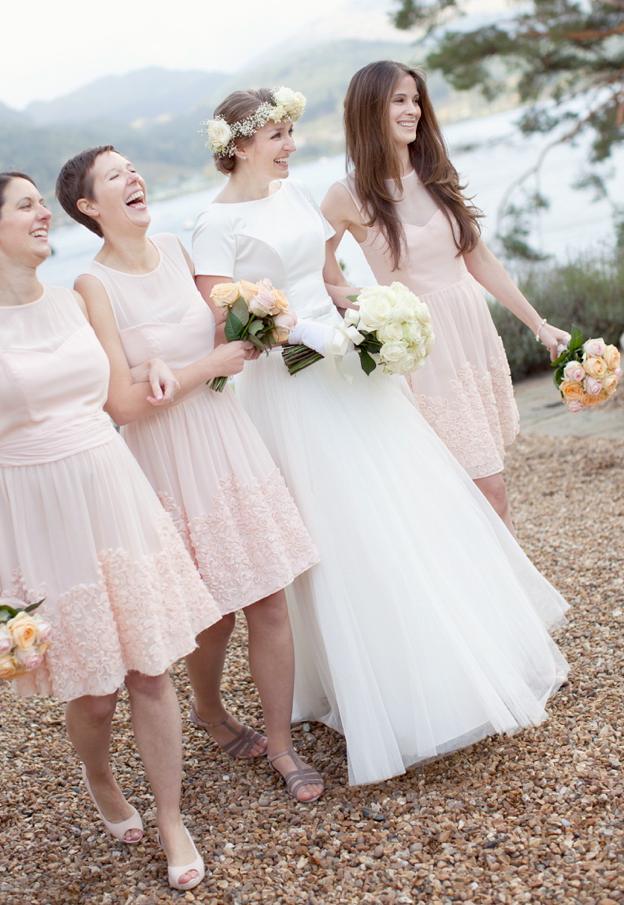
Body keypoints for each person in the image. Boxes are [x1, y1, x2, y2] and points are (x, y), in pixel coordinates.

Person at [191, 87, 569, 787]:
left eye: (290, 131)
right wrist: (305, 332)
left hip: (349, 368)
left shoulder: (297, 193)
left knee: (410, 505)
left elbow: (326, 276)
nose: (289, 144)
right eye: (277, 134)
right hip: (290, 386)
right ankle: (369, 685)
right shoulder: (211, 225)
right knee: (341, 525)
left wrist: (366, 315)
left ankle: (450, 662)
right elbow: (227, 319)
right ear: (238, 142)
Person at [0, 172, 222, 892]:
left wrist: (155, 364)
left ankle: (171, 817)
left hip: (111, 487)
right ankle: (99, 777)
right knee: (92, 688)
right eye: (25, 205)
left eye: (39, 203)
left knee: (150, 664)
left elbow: (117, 393)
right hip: (35, 508)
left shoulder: (75, 301)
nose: (41, 215)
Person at [55, 146, 323, 802]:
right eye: (115, 176)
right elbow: (117, 400)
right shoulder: (91, 286)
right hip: (162, 457)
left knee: (267, 597)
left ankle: (282, 746)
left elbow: (223, 333)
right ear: (90, 206)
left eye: (132, 168)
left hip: (226, 438)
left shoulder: (179, 249)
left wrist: (255, 331)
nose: (134, 178)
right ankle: (207, 709)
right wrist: (206, 366)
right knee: (210, 615)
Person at [321, 61, 571, 534]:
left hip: (472, 337)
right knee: (485, 493)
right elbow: (312, 264)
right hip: (424, 353)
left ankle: (499, 601)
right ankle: (506, 603)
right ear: (369, 109)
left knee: (479, 489)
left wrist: (538, 325)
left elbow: (478, 258)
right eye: (399, 99)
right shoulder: (346, 195)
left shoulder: (434, 171)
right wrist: (360, 304)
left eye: (416, 99)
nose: (413, 110)